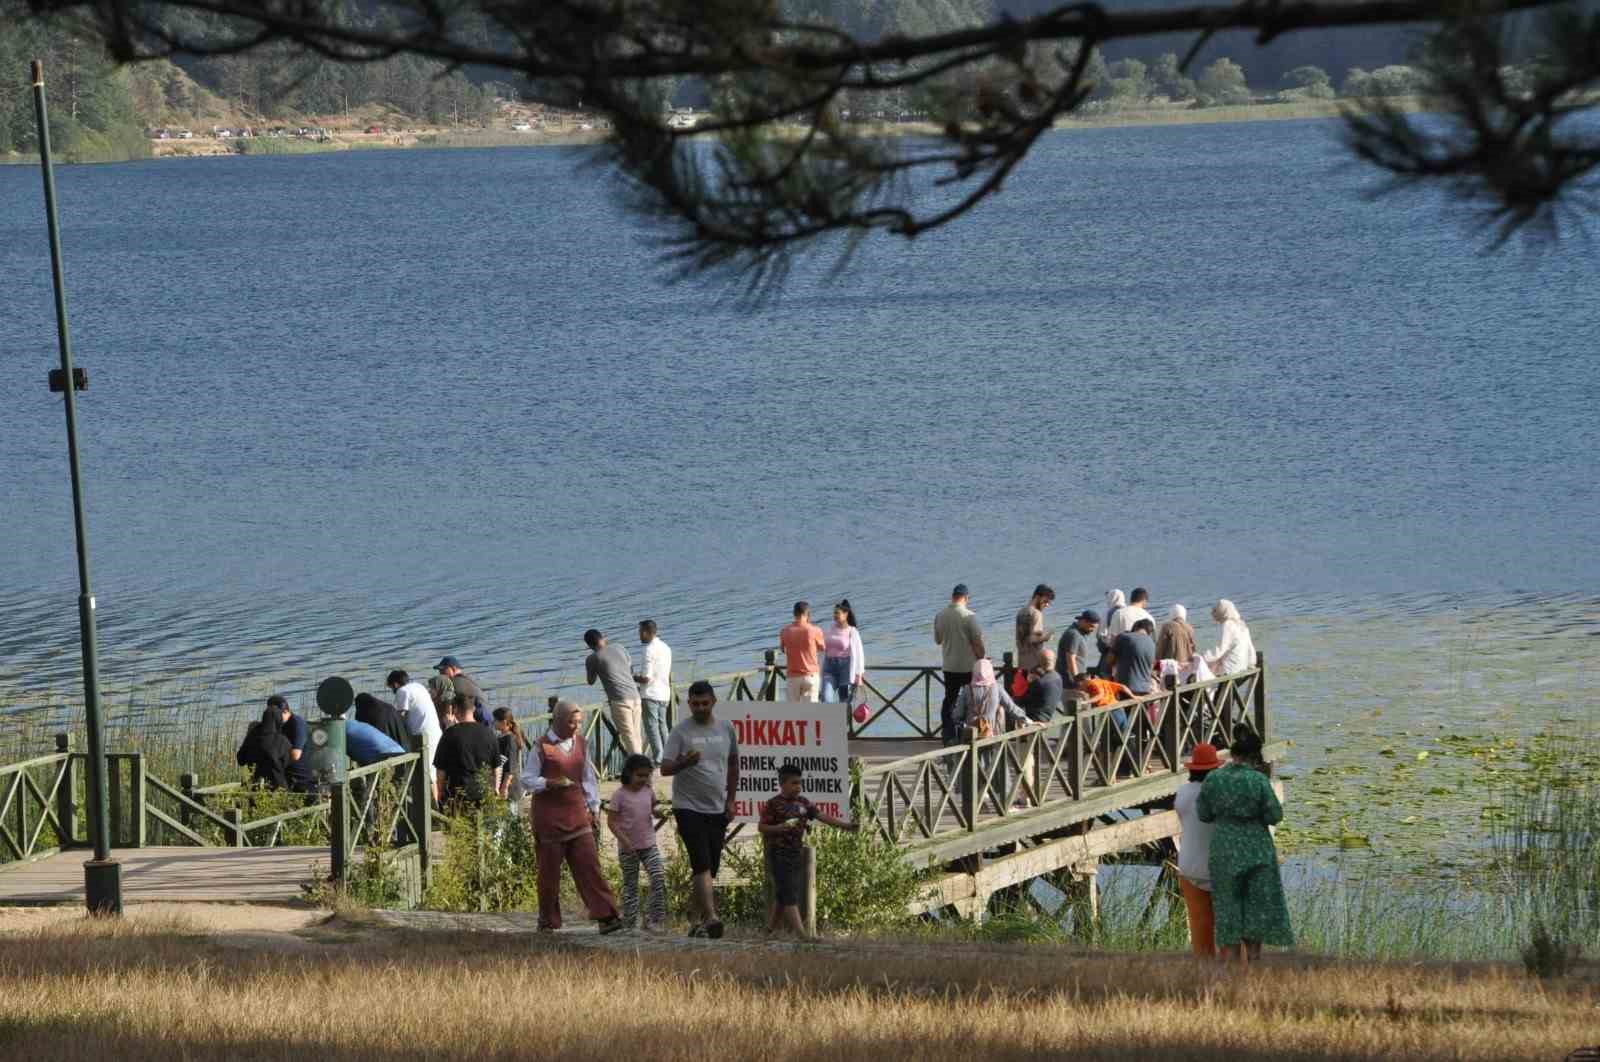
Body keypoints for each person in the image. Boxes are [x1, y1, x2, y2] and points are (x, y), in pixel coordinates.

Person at [519, 700, 624, 933]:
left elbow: (588, 778)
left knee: (589, 866)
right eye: (571, 722)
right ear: (556, 720)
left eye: (578, 722)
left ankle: (607, 916)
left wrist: (594, 807)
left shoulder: (581, 744)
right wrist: (548, 783)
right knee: (549, 874)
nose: (576, 726)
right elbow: (526, 779)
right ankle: (548, 921)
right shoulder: (541, 746)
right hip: (549, 820)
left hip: (577, 815)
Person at [1197, 731, 1292, 965]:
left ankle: (1229, 961)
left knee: (1227, 905)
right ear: (1253, 757)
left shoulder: (1213, 779)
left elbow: (1204, 814)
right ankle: (1254, 959)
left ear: (1233, 754)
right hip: (1256, 849)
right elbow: (1274, 816)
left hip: (1225, 849)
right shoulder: (1258, 780)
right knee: (1255, 906)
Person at [660, 679, 739, 939]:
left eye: (705, 703)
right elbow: (665, 768)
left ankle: (694, 920)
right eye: (695, 704)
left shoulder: (726, 728)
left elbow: (733, 764)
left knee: (710, 867)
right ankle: (712, 917)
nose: (700, 708)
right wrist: (684, 763)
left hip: (717, 807)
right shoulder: (680, 732)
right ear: (689, 704)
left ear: (714, 702)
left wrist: (731, 800)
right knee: (701, 862)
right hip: (687, 806)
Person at [758, 762, 859, 939]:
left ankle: (768, 931)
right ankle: (802, 935)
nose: (798, 787)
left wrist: (846, 826)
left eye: (800, 783)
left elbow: (822, 816)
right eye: (794, 783)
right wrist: (779, 828)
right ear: (783, 783)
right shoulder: (773, 804)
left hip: (796, 853)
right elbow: (762, 827)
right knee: (789, 893)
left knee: (784, 895)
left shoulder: (803, 803)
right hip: (778, 853)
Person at [606, 753, 667, 933]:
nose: (643, 779)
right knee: (631, 884)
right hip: (628, 848)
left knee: (658, 877)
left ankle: (654, 919)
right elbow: (612, 822)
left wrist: (659, 812)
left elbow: (654, 807)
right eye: (639, 775)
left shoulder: (648, 791)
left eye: (647, 775)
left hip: (649, 844)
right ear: (629, 773)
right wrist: (624, 841)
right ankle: (630, 921)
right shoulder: (620, 795)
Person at [1175, 742, 1222, 958]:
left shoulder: (1182, 793)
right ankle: (1234, 973)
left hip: (1189, 869)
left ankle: (1203, 970)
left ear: (1192, 769)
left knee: (1199, 924)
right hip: (1221, 871)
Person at [934, 583, 986, 746]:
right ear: (966, 598)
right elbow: (978, 643)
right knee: (971, 700)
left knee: (949, 700)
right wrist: (982, 657)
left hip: (949, 667)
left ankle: (948, 735)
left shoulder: (940, 615)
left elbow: (938, 640)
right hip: (967, 667)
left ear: (953, 597)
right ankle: (968, 734)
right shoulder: (969, 616)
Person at [584, 628, 643, 756]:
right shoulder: (619, 647)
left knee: (629, 737)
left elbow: (590, 680)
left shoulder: (592, 658)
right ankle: (642, 766)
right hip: (635, 695)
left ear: (589, 645)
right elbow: (630, 669)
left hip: (619, 699)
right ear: (603, 637)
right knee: (636, 734)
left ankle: (641, 768)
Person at [432, 697, 501, 806]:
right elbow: (496, 766)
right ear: (473, 709)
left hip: (457, 796)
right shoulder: (489, 733)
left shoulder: (449, 734)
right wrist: (495, 788)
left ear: (455, 711)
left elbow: (440, 769)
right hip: (483, 793)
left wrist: (440, 791)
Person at [388, 669, 443, 778]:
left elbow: (400, 717)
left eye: (391, 688)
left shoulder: (402, 691)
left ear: (395, 684)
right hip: (435, 732)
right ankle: (437, 794)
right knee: (433, 772)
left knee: (425, 774)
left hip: (423, 736)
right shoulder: (418, 686)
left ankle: (430, 795)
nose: (392, 691)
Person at [632, 620, 672, 762]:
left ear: (647, 632)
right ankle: (668, 755)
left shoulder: (648, 649)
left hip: (650, 693)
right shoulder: (666, 647)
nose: (639, 635)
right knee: (663, 725)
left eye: (640, 632)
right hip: (665, 693)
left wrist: (632, 677)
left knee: (651, 727)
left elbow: (646, 678)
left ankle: (659, 758)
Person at [778, 601, 827, 702]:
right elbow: (823, 648)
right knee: (810, 713)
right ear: (808, 614)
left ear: (794, 614)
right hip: (811, 675)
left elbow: (783, 649)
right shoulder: (814, 630)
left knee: (793, 712)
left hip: (792, 677)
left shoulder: (785, 631)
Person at [820, 600, 865, 708]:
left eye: (837, 613)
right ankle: (831, 723)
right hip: (829, 667)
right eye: (834, 613)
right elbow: (822, 646)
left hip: (845, 668)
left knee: (844, 702)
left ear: (845, 614)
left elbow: (859, 654)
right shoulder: (830, 628)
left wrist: (859, 675)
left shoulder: (852, 631)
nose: (835, 616)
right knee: (826, 698)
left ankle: (841, 723)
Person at [267, 695, 316, 793]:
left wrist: (276, 757)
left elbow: (295, 755)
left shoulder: (297, 723)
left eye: (275, 715)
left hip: (300, 777)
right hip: (285, 776)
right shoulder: (277, 725)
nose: (273, 718)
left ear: (285, 712)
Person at [235, 707, 291, 789]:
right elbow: (287, 764)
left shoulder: (251, 738)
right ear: (278, 721)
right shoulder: (282, 741)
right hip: (277, 788)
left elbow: (240, 760)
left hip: (253, 788)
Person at [1204, 599, 1259, 676]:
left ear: (1223, 612)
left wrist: (1204, 658)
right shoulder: (1242, 624)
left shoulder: (1228, 625)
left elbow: (1220, 649)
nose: (1215, 614)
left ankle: (1209, 688)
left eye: (1217, 611)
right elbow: (1250, 648)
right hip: (1243, 668)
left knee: (1202, 670)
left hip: (1231, 670)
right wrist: (1251, 663)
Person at [435, 656, 490, 726]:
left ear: (453, 669)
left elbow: (445, 706)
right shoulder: (468, 680)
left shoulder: (454, 683)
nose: (440, 674)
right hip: (487, 720)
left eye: (443, 670)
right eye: (440, 671)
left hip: (480, 722)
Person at [1014, 584, 1055, 674]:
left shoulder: (1021, 612)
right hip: (1035, 664)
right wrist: (1047, 636)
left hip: (1022, 661)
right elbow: (1033, 639)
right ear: (1037, 597)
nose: (1047, 605)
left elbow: (1022, 637)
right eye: (1045, 601)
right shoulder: (1036, 613)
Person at [1114, 618, 1158, 697]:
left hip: (1127, 690)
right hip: (1145, 690)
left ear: (1135, 627)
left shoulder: (1123, 637)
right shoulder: (1152, 643)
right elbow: (1151, 667)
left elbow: (1109, 661)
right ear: (1149, 632)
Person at [1019, 648, 1064, 724]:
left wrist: (1029, 683)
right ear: (1054, 660)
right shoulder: (1058, 677)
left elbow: (1023, 701)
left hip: (1035, 720)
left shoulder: (1039, 683)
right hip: (1048, 716)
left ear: (1040, 662)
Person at [1055, 610, 1100, 684]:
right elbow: (1070, 658)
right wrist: (1077, 681)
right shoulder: (1074, 635)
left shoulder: (1081, 632)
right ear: (1083, 621)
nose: (1092, 630)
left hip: (1076, 678)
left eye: (1095, 627)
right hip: (1070, 681)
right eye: (1091, 626)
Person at [492, 707, 527, 801]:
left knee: (511, 813)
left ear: (503, 722)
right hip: (503, 782)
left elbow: (510, 766)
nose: (493, 722)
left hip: (510, 787)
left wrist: (504, 787)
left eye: (495, 720)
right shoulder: (502, 736)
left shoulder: (509, 739)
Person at [1156, 604, 1198, 669]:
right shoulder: (1190, 628)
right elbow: (1194, 649)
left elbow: (1160, 649)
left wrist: (1157, 666)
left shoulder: (1167, 627)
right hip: (1187, 666)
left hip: (1172, 667)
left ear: (1172, 614)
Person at [1096, 589, 1126, 676]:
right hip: (1127, 647)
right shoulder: (1128, 610)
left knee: (1105, 672)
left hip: (1112, 649)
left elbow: (1101, 634)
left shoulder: (1108, 613)